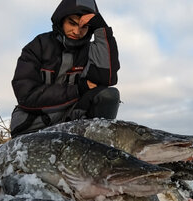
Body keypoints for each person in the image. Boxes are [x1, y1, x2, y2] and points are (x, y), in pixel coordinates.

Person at [10, 0, 120, 137]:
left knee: (108, 95)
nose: (77, 31)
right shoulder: (37, 46)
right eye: (72, 23)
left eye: (84, 27)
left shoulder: (90, 52)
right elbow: (26, 95)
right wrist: (78, 90)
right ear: (61, 20)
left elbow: (107, 77)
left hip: (71, 122)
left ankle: (97, 148)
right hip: (33, 125)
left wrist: (102, 28)